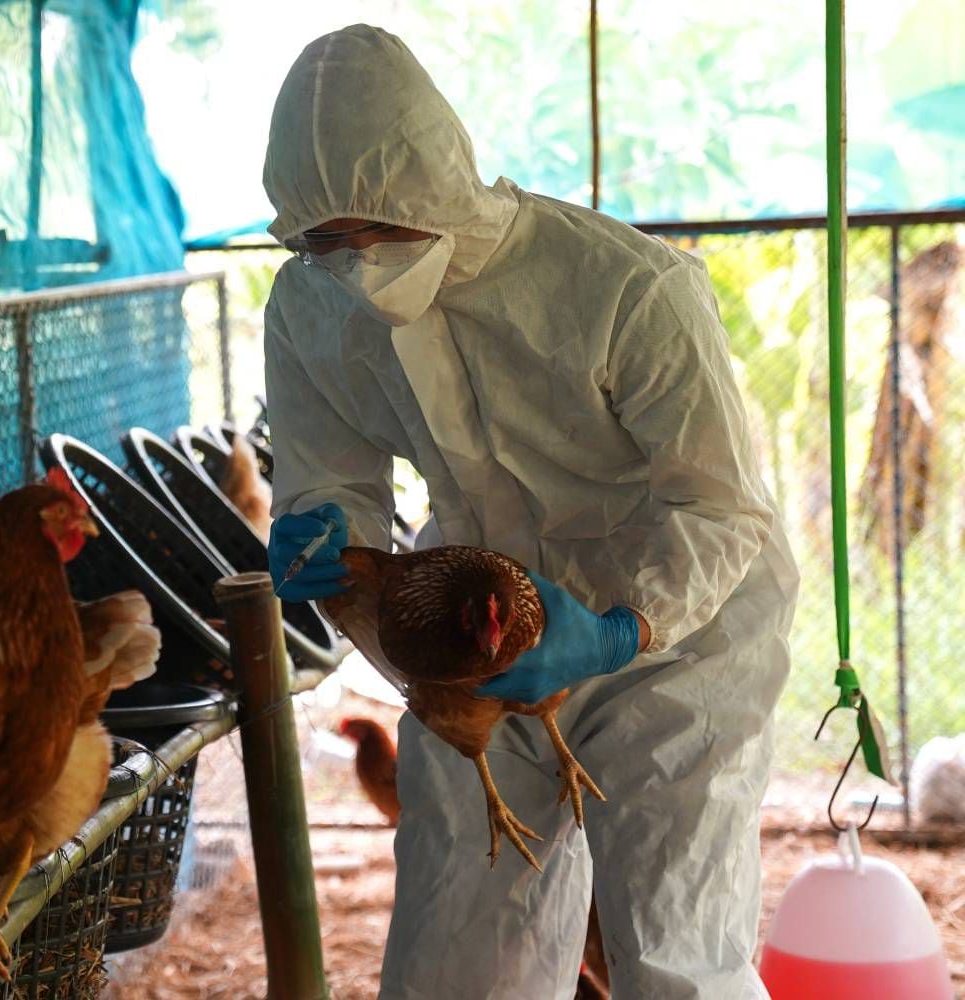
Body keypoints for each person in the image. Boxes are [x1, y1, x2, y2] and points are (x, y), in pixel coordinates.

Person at [259, 25, 800, 999]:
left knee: (676, 948)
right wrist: (322, 533)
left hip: (679, 634)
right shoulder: (310, 305)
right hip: (480, 630)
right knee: (459, 954)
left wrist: (622, 627)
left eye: (378, 228)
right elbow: (326, 482)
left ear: (435, 190)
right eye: (322, 240)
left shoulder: (626, 287)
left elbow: (721, 506)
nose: (352, 259)